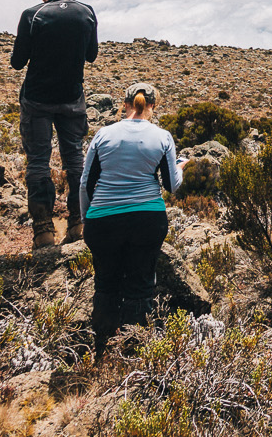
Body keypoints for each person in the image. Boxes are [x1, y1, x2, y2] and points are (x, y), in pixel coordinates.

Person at [80, 81, 185, 356]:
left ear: (125, 104)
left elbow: (85, 184)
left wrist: (87, 220)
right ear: (152, 106)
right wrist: (180, 168)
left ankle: (102, 350)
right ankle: (132, 353)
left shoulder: (103, 135)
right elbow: (171, 185)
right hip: (146, 221)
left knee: (105, 284)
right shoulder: (162, 137)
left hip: (102, 222)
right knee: (140, 287)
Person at [10, 0, 99, 249]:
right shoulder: (86, 12)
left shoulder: (32, 15)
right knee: (75, 161)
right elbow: (92, 55)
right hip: (72, 98)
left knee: (38, 162)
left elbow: (17, 61)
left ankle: (43, 231)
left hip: (37, 99)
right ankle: (78, 223)